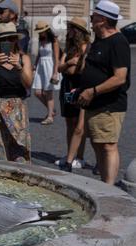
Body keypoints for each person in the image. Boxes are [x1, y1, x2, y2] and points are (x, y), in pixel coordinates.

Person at [77, 0, 131, 185]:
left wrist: (93, 90)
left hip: (109, 105)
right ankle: (104, 182)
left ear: (103, 20)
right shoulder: (98, 41)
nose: (90, 20)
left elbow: (120, 77)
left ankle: (109, 187)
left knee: (108, 145)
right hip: (93, 103)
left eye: (93, 17)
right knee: (98, 143)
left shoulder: (118, 42)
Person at [0, 22, 33, 163]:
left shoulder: (24, 58)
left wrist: (18, 67)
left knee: (20, 154)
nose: (7, 42)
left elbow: (28, 84)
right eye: (3, 39)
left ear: (16, 39)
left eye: (10, 38)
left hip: (17, 109)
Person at [56, 17, 91, 171]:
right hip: (67, 85)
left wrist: (76, 65)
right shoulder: (69, 49)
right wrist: (69, 63)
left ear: (78, 32)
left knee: (79, 125)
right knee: (69, 122)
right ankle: (70, 153)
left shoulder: (86, 48)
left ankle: (80, 157)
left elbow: (86, 69)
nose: (68, 31)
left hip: (79, 86)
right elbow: (59, 67)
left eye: (71, 29)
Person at [32, 21, 61, 125]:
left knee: (48, 93)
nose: (40, 34)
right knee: (38, 93)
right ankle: (52, 110)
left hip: (50, 66)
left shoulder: (54, 41)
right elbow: (39, 55)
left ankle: (50, 116)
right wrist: (35, 65)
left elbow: (57, 58)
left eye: (41, 32)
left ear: (46, 30)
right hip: (40, 66)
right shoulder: (41, 40)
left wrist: (55, 72)